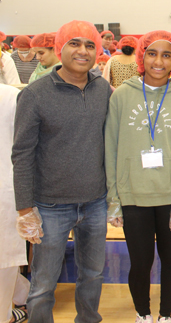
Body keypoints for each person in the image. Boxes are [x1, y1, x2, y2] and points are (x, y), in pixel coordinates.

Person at [12, 20, 112, 323]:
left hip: (95, 203)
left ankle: (88, 319)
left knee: (93, 275)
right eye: (75, 43)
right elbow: (22, 153)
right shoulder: (35, 94)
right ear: (60, 48)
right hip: (50, 205)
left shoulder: (103, 89)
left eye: (90, 45)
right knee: (43, 283)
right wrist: (25, 208)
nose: (83, 51)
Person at [105, 30, 171, 323]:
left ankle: (166, 315)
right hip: (133, 194)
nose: (159, 61)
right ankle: (143, 314)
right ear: (142, 56)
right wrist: (113, 198)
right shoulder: (121, 95)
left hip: (170, 196)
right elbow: (111, 148)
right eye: (152, 53)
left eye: (166, 54)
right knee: (141, 261)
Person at [0, 83, 30, 323]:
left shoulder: (12, 96)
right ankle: (23, 297)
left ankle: (7, 313)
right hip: (8, 190)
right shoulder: (11, 95)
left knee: (5, 261)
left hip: (7, 191)